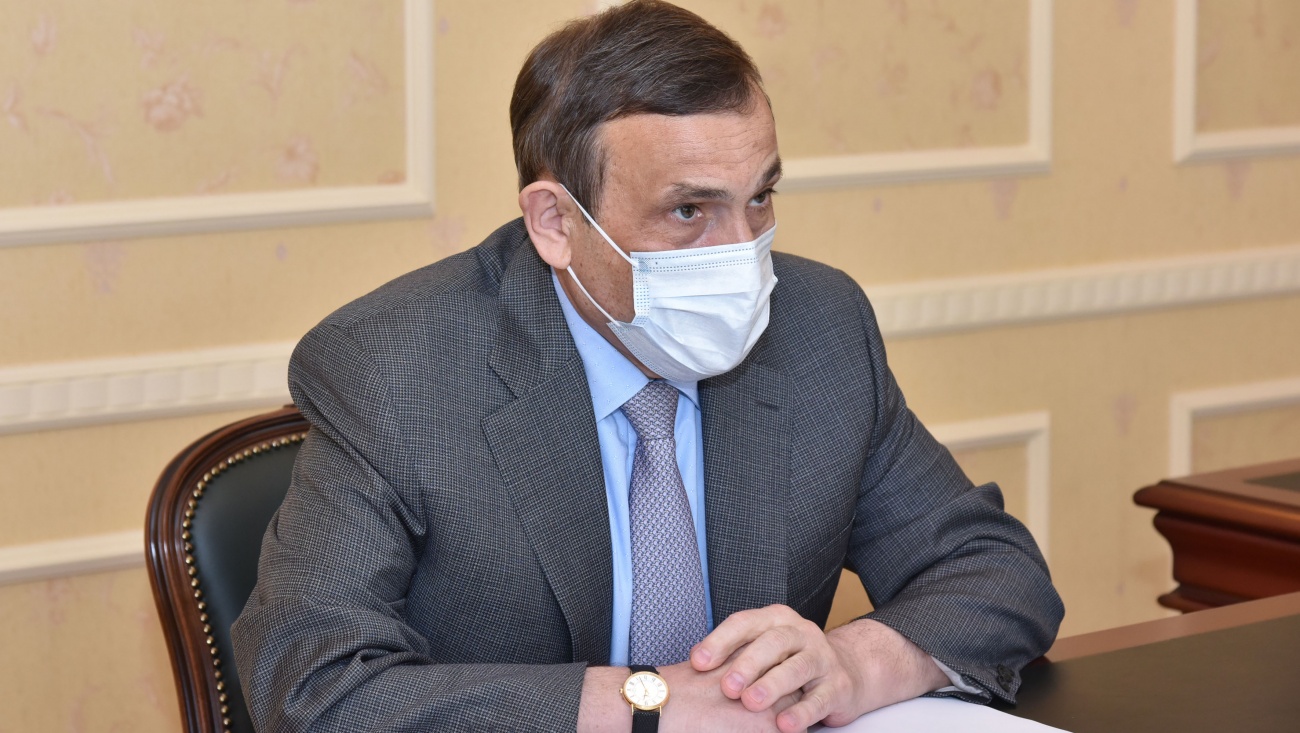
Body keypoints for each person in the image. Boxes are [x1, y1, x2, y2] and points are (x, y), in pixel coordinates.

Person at [231, 2, 1064, 731]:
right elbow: (312, 685)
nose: (742, 253)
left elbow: (995, 571)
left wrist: (852, 663)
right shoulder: (395, 368)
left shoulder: (819, 327)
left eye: (760, 197)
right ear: (556, 223)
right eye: (689, 209)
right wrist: (645, 705)